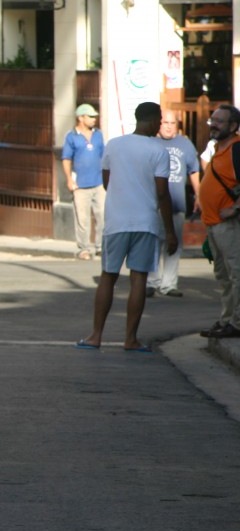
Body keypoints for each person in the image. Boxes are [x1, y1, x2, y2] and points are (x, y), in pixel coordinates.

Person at [77, 102, 175, 352]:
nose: (160, 125)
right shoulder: (159, 151)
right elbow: (162, 193)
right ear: (152, 120)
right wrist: (170, 231)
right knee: (138, 278)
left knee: (108, 276)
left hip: (116, 222)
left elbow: (107, 183)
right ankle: (130, 339)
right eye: (159, 120)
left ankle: (95, 336)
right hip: (146, 223)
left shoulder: (114, 145)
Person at [197, 104, 240, 339]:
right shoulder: (217, 148)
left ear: (233, 126)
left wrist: (235, 208)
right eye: (212, 120)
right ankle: (227, 320)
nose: (213, 125)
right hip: (214, 223)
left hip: (229, 225)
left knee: (236, 274)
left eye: (219, 121)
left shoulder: (237, 149)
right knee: (224, 276)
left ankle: (237, 323)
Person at [146, 110, 200, 298]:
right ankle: (151, 282)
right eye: (165, 123)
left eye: (172, 123)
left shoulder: (185, 144)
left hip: (176, 203)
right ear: (158, 124)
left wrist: (199, 194)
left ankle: (168, 284)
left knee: (173, 244)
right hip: (154, 205)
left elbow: (194, 171)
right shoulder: (150, 143)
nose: (168, 127)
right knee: (153, 243)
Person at [61, 103, 105, 260]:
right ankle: (83, 248)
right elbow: (66, 159)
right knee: (82, 219)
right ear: (81, 118)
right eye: (90, 116)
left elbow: (103, 156)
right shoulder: (72, 136)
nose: (94, 119)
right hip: (81, 184)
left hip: (99, 182)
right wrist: (69, 179)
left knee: (102, 215)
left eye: (94, 117)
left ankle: (100, 246)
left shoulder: (98, 134)